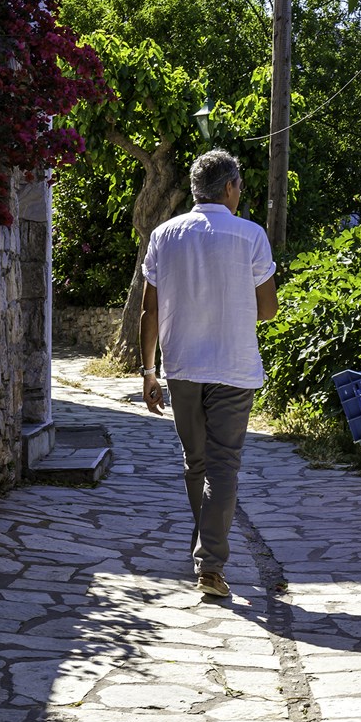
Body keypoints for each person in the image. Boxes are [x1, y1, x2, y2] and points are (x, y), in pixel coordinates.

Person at [139, 149, 278, 597]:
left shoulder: (164, 234)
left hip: (181, 367)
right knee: (223, 468)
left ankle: (205, 551)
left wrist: (148, 370)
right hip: (233, 367)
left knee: (195, 463)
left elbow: (149, 308)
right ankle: (210, 564)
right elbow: (268, 310)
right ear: (231, 188)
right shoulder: (251, 236)